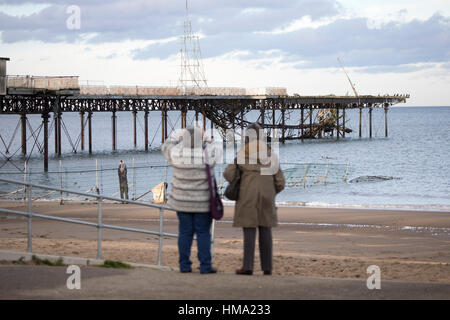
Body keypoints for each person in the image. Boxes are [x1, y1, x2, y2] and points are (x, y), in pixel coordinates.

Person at [224, 123, 285, 275]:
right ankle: (267, 267)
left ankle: (248, 266)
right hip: (266, 195)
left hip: (247, 195)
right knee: (266, 230)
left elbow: (228, 174)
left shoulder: (242, 155)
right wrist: (271, 192)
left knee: (249, 231)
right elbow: (280, 181)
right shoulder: (271, 155)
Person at [162, 127, 218, 274]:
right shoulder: (208, 153)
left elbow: (165, 146)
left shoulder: (177, 153)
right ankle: (205, 266)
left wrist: (176, 135)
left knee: (185, 233)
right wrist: (207, 138)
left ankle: (184, 265)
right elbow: (217, 149)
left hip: (182, 202)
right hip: (203, 203)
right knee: (203, 234)